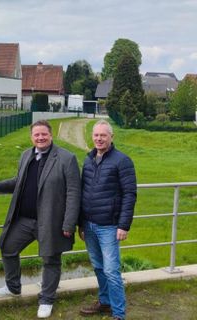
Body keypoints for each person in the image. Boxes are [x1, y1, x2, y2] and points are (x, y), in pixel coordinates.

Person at [0, 120, 81, 319]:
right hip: (24, 220)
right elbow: (18, 181)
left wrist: (69, 223)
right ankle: (13, 288)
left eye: (44, 134)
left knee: (51, 259)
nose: (40, 138)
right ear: (31, 137)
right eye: (36, 135)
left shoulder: (66, 158)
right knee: (7, 247)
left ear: (51, 135)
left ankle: (46, 300)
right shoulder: (26, 155)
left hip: (51, 221)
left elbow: (74, 193)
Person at [78, 120, 137, 320]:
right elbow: (82, 192)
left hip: (109, 226)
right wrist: (81, 223)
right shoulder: (88, 159)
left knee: (111, 270)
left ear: (112, 137)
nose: (99, 139)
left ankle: (119, 314)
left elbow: (130, 194)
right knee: (98, 266)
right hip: (89, 224)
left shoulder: (122, 161)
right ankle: (105, 302)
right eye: (96, 135)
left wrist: (123, 225)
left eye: (103, 135)